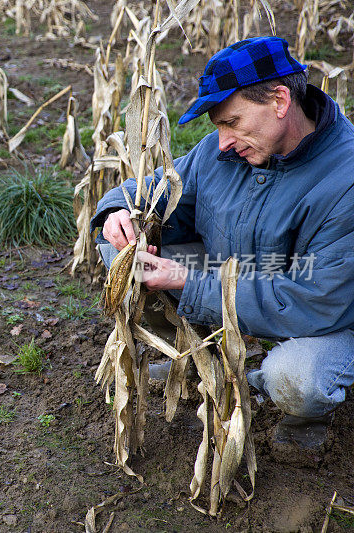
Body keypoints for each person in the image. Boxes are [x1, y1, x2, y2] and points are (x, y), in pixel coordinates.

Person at [90, 36, 354, 451]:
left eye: (231, 121)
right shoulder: (225, 152)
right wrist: (117, 216)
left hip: (325, 315)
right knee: (122, 255)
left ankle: (298, 409)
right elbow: (150, 192)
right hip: (241, 276)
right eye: (218, 126)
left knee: (298, 378)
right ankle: (203, 357)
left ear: (280, 102)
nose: (223, 141)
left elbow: (315, 300)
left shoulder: (346, 179)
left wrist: (187, 283)